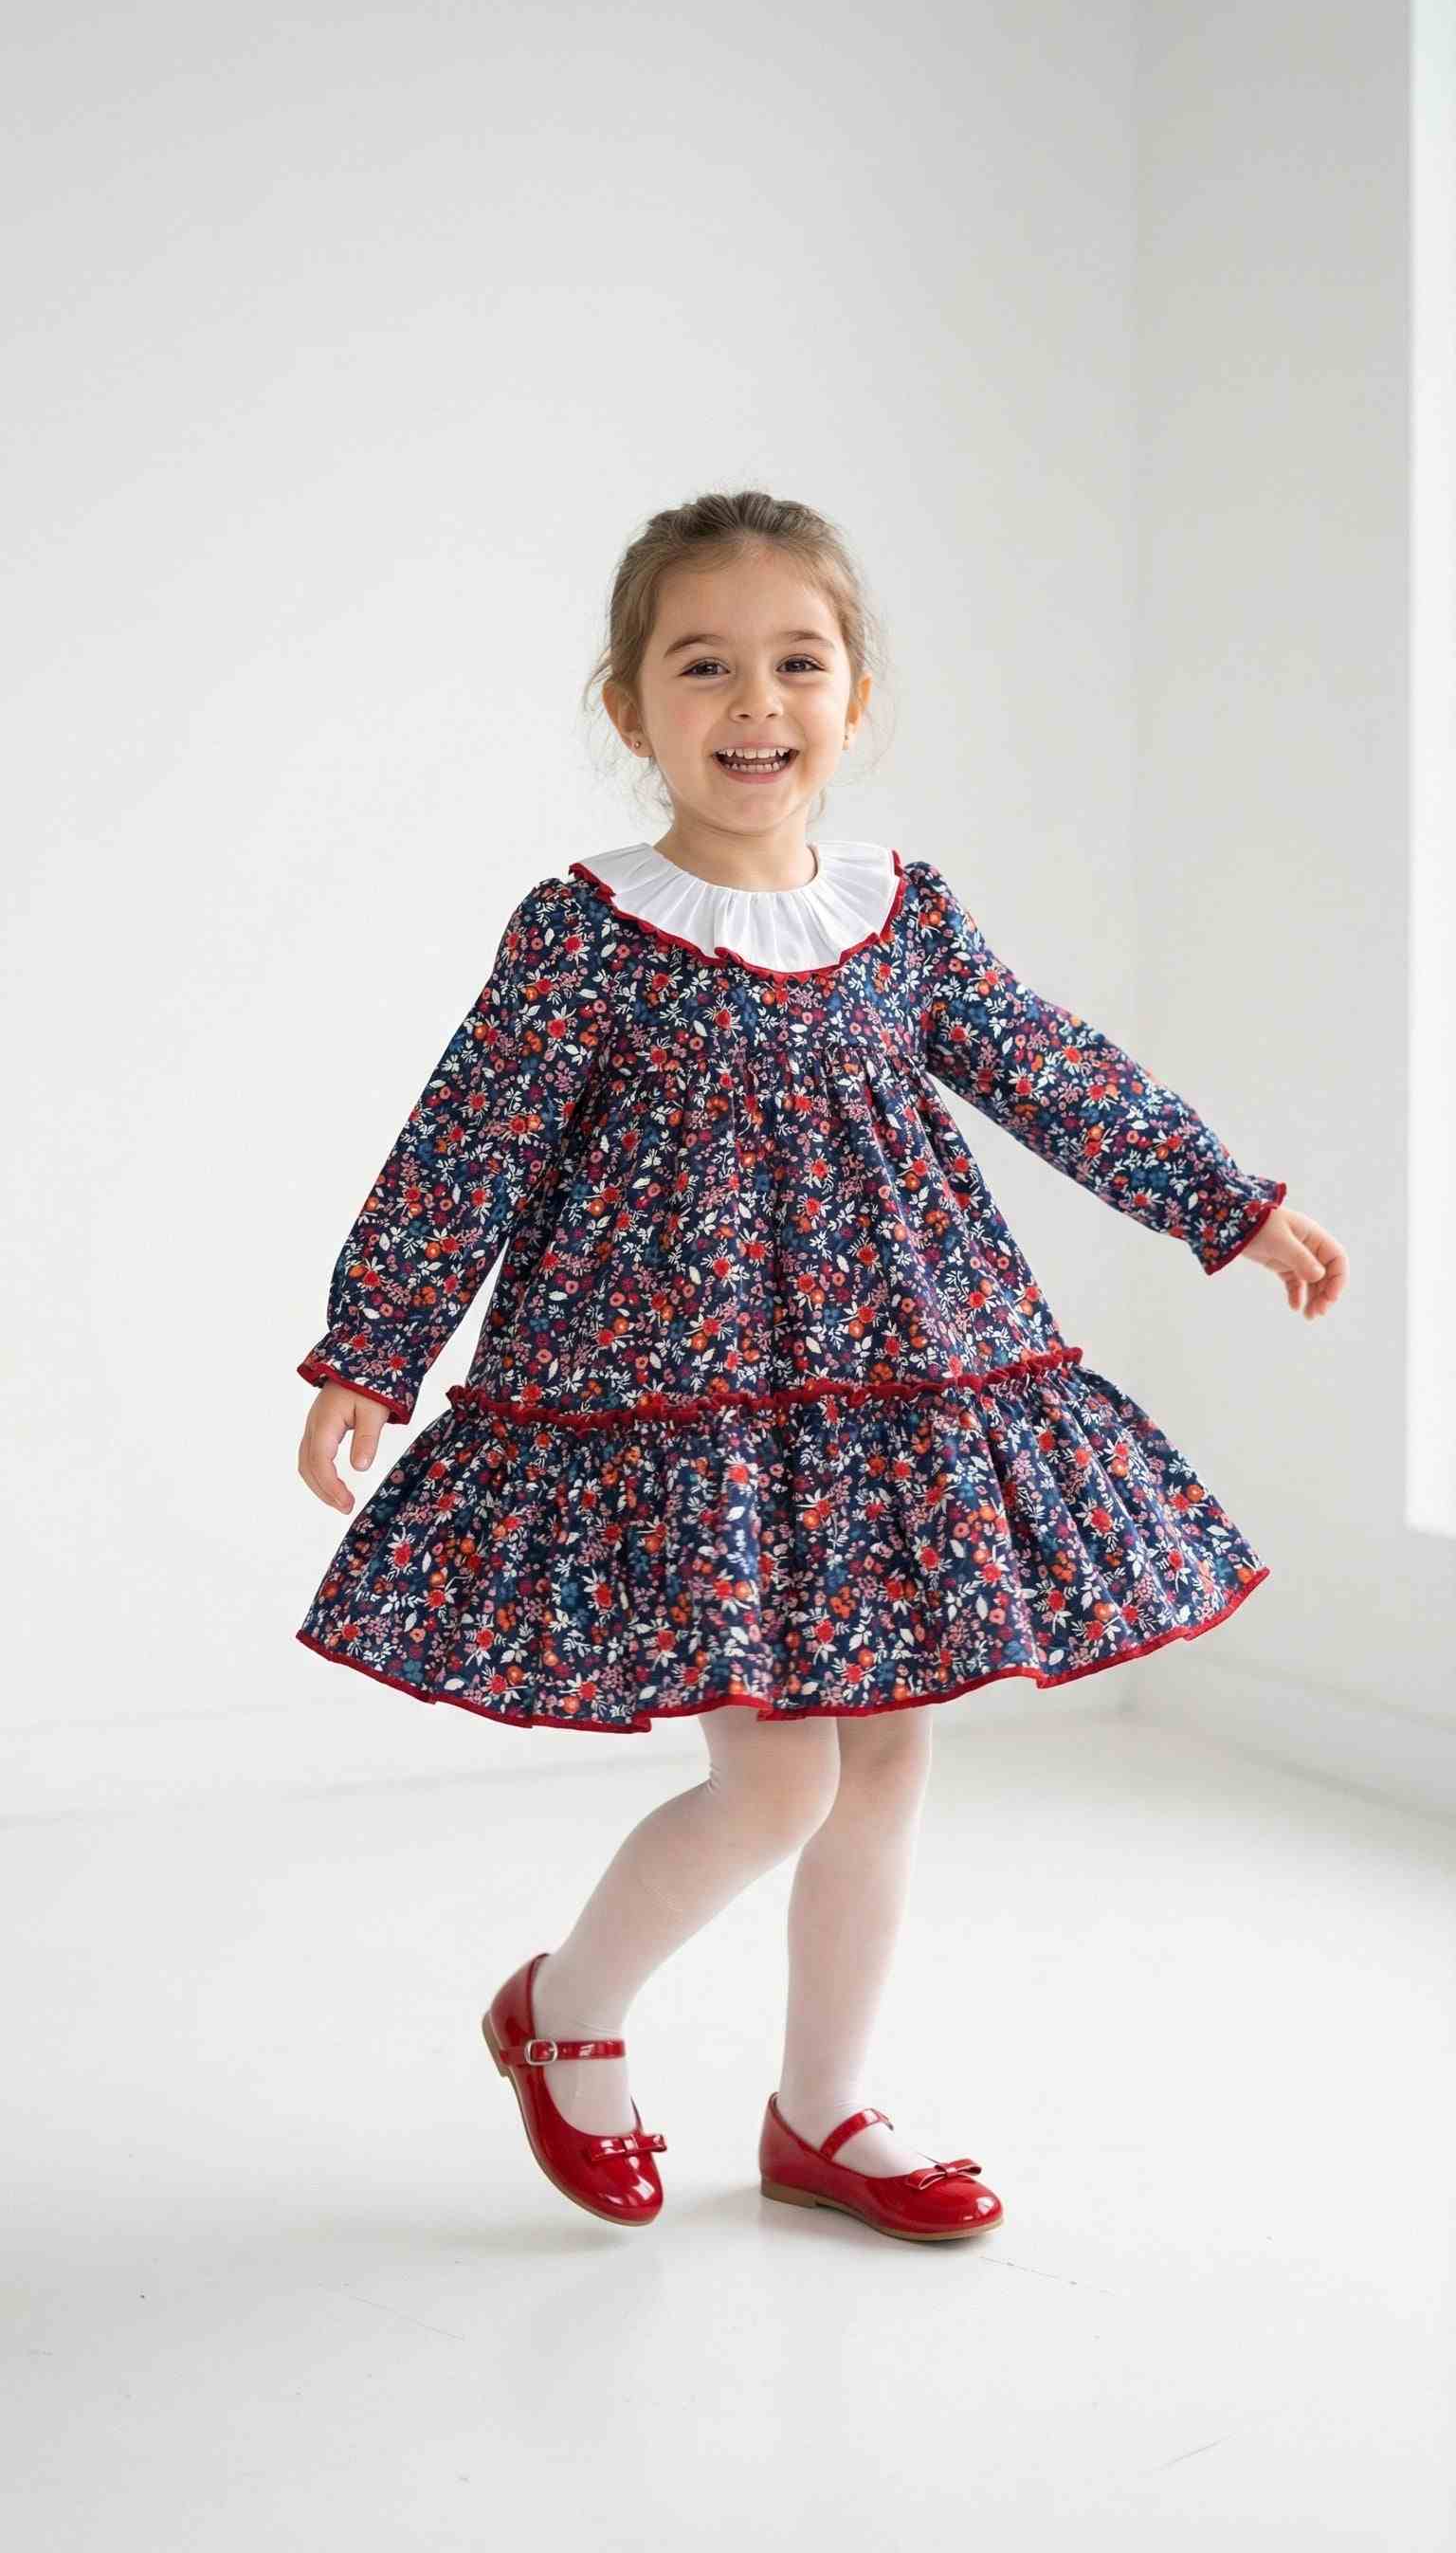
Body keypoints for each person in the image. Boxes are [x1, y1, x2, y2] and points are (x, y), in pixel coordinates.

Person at [293, 488, 1348, 2241]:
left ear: (856, 700)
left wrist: (1221, 1203)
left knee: (887, 1764)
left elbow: (1049, 1068)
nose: (755, 703)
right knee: (776, 1777)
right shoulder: (585, 931)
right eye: (704, 666)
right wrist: (373, 1349)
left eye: (798, 663)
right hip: (691, 1408)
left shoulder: (897, 914)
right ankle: (564, 2013)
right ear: (630, 708)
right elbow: (468, 1143)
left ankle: (823, 2113)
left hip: (892, 1394)